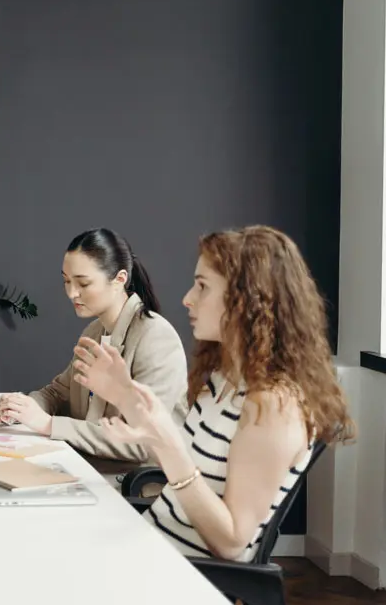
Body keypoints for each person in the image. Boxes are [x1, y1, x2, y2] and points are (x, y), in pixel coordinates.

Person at [74, 226, 355, 561]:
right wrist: (122, 395)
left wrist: (168, 446)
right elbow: (188, 471)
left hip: (174, 574)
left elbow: (232, 542)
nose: (188, 298)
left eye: (203, 287)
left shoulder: (273, 407)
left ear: (248, 300)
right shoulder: (223, 382)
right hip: (147, 546)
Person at [0, 228, 188, 464]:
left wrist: (47, 424)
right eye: (66, 281)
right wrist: (21, 408)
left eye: (83, 284)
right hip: (90, 468)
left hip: (134, 484)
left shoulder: (156, 337)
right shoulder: (95, 332)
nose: (72, 293)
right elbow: (58, 393)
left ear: (120, 279)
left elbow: (143, 443)